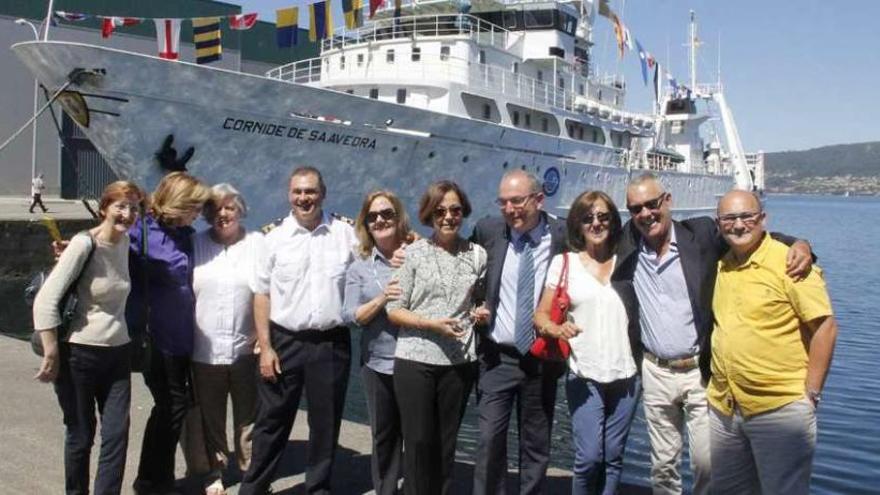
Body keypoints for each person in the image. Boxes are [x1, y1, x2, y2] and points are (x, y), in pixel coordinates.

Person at [612, 173, 814, 495]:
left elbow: (751, 234)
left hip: (699, 372)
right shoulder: (628, 240)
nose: (645, 214)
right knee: (662, 465)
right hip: (654, 371)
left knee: (707, 464)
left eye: (652, 204)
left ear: (668, 202)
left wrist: (800, 244)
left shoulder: (702, 233)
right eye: (636, 209)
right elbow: (579, 229)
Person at [708, 191, 837, 494]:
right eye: (729, 218)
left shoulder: (790, 263)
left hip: (779, 408)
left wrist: (811, 395)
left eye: (747, 216)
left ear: (762, 219)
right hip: (726, 406)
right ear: (718, 224)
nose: (738, 225)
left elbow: (826, 328)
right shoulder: (723, 265)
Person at [241, 166, 357, 495]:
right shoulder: (272, 237)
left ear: (323, 194)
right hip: (284, 340)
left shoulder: (345, 233)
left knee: (325, 423)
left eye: (310, 192)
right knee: (271, 421)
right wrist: (265, 347)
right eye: (298, 192)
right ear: (289, 195)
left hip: (331, 342)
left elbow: (378, 255)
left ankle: (317, 487)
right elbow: (261, 294)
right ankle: (254, 487)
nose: (304, 198)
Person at [32, 180, 145, 495]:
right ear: (104, 208)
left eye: (133, 208)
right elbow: (46, 300)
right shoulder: (84, 245)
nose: (127, 214)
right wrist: (52, 352)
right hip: (79, 354)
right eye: (120, 206)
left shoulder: (125, 244)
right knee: (81, 435)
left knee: (117, 436)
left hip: (118, 352)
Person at [534, 191, 641, 495]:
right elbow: (541, 314)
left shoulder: (628, 261)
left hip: (628, 374)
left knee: (614, 456)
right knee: (589, 456)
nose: (596, 223)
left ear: (613, 221)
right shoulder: (564, 263)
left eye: (603, 217)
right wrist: (556, 329)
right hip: (584, 372)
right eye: (588, 218)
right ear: (578, 224)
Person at [469, 170, 567, 495]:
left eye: (518, 201)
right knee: (488, 442)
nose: (510, 209)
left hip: (541, 359)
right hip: (498, 358)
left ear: (539, 199)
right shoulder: (489, 230)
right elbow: (462, 264)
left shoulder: (562, 235)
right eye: (504, 202)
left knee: (535, 446)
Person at [387, 180, 487, 495]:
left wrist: (482, 312)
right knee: (417, 443)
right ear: (429, 214)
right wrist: (431, 325)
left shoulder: (477, 255)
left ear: (464, 212)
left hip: (459, 361)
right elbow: (394, 310)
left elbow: (480, 300)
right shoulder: (412, 254)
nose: (448, 217)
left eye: (455, 210)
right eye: (440, 210)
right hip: (416, 360)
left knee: (446, 444)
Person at [129, 171, 212, 495]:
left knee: (171, 407)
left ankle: (153, 479)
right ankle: (154, 482)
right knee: (172, 405)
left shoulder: (186, 235)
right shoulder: (141, 233)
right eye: (195, 207)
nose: (199, 213)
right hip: (156, 338)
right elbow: (107, 249)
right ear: (181, 204)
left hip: (182, 338)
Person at [182, 184, 263, 495]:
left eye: (229, 207)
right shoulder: (194, 243)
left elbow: (268, 290)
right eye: (215, 209)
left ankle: (251, 472)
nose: (222, 214)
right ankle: (214, 471)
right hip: (205, 348)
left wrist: (264, 336)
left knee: (249, 417)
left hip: (246, 347)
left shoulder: (257, 243)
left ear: (240, 210)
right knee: (210, 416)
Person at [342, 190, 413, 495]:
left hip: (416, 362)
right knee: (383, 436)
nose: (380, 220)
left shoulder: (418, 254)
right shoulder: (359, 267)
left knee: (419, 435)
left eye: (387, 214)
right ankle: (385, 490)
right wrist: (385, 296)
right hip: (377, 363)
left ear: (399, 218)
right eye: (373, 217)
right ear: (366, 224)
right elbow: (350, 315)